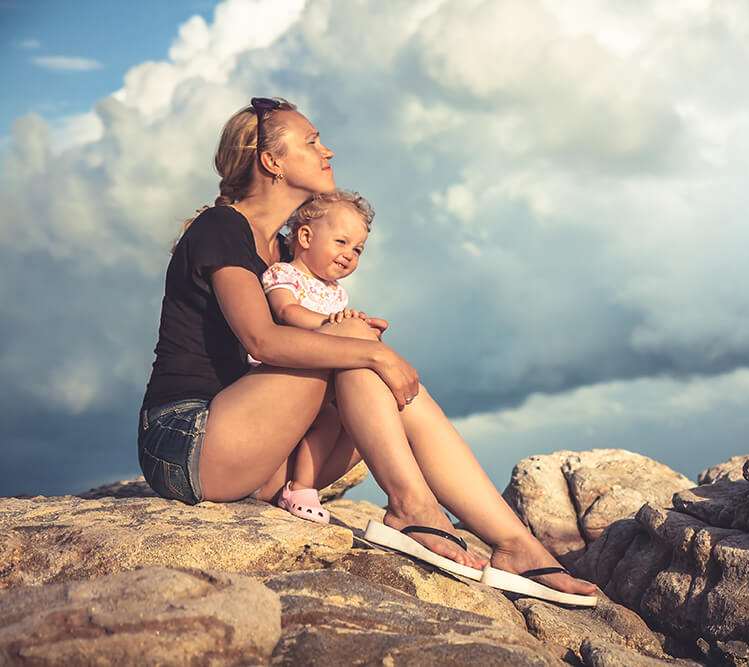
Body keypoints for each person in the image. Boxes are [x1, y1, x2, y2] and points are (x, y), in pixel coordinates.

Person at [138, 97, 597, 604]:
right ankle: (412, 509)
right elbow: (261, 341)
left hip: (258, 459)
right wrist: (374, 353)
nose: (327, 149)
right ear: (271, 162)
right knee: (358, 347)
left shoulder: (284, 252)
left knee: (360, 356)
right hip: (187, 440)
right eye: (312, 142)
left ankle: (514, 545)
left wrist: (364, 348)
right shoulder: (222, 228)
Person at [261, 189, 375, 523]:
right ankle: (301, 487)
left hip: (321, 377)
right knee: (325, 419)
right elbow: (286, 313)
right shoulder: (283, 274)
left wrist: (355, 327)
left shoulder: (337, 293)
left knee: (348, 417)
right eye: (341, 242)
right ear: (306, 236)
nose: (349, 255)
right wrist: (333, 324)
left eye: (357, 250)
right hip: (282, 374)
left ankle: (297, 481)